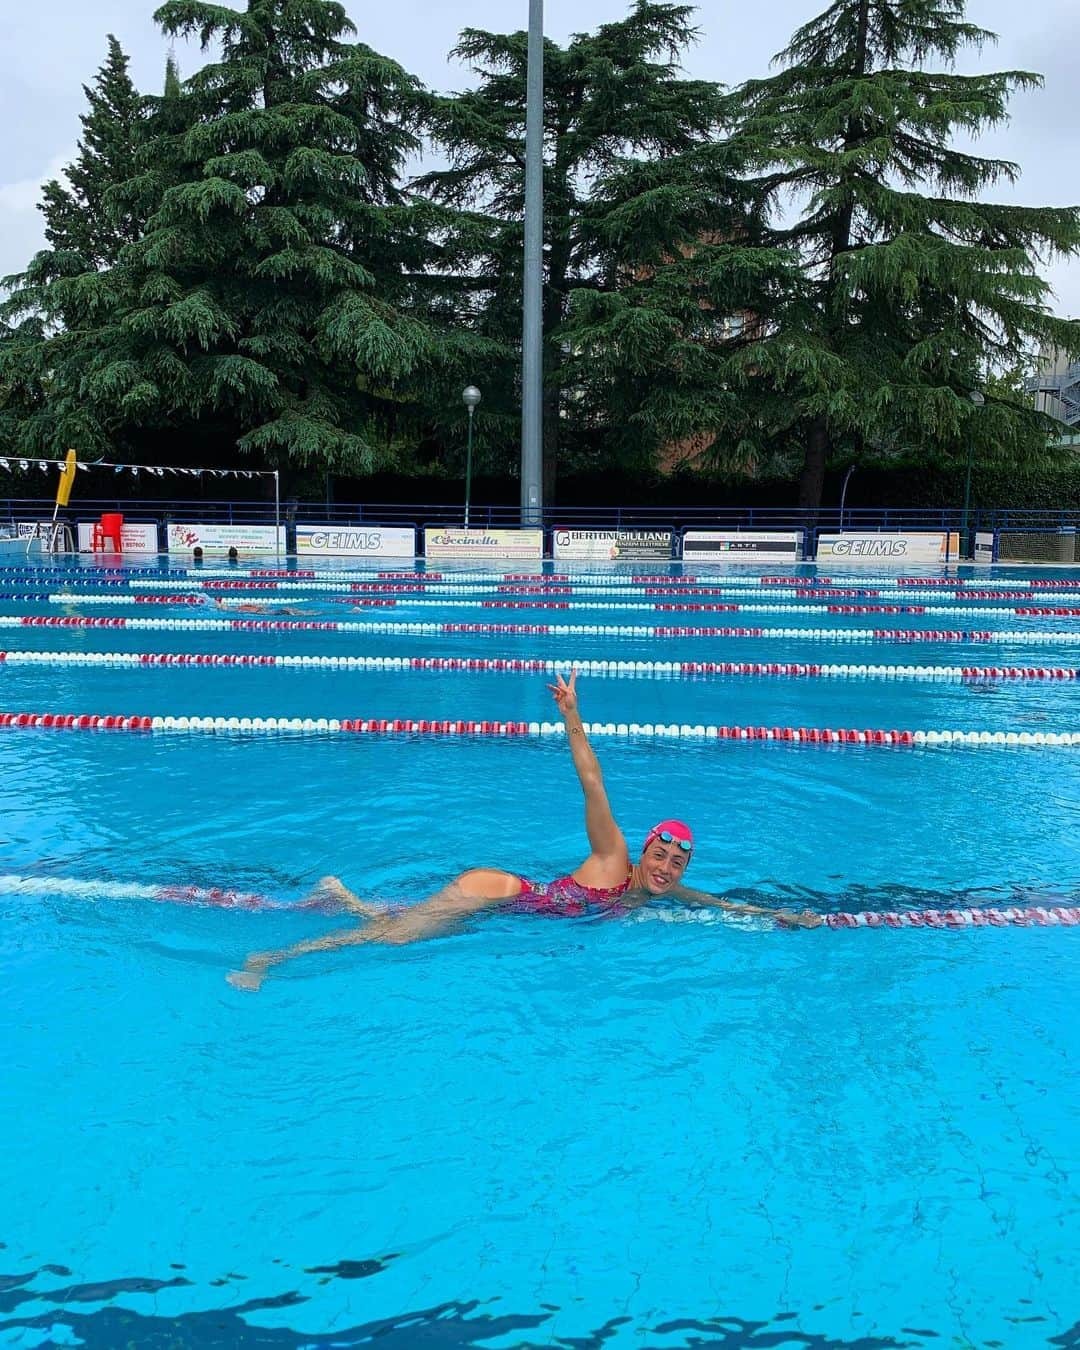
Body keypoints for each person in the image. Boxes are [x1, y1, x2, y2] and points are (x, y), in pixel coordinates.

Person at [228, 671, 822, 991]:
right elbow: (593, 784)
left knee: (398, 925)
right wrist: (573, 718)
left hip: (509, 911)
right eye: (660, 855)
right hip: (499, 892)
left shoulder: (658, 889)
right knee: (395, 940)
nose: (667, 867)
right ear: (642, 850)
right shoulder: (616, 859)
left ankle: (339, 895)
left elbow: (722, 905)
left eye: (677, 863)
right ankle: (270, 958)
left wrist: (782, 917)